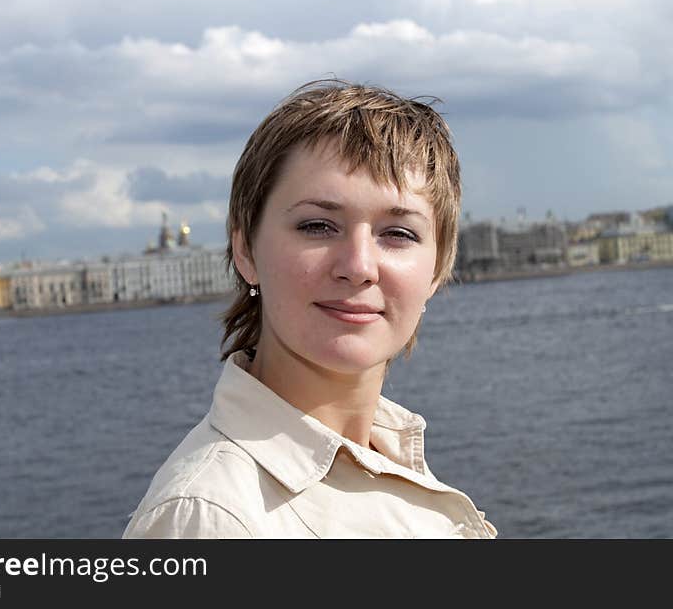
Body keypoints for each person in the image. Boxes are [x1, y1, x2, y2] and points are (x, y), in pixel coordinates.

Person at [122, 80, 497, 538]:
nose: (359, 267)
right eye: (318, 226)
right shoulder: (213, 518)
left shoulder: (387, 453)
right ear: (245, 251)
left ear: (438, 268)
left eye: (398, 233)